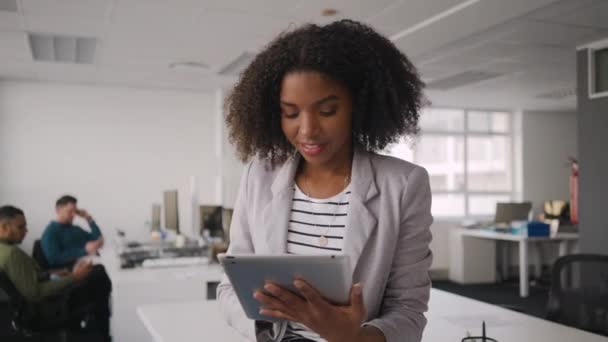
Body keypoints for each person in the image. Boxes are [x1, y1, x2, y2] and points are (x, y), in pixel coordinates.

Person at [217, 20, 432, 342]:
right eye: (291, 113)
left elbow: (409, 311)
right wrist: (265, 329)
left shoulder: (403, 185)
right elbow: (229, 287)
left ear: (358, 105)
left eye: (327, 111)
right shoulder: (259, 175)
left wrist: (352, 338)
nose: (307, 131)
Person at [0, 205, 111, 340]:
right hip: (42, 309)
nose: (26, 231)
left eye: (75, 211)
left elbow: (25, 277)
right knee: (99, 277)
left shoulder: (6, 249)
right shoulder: (14, 252)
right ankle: (103, 333)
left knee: (98, 275)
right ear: (4, 228)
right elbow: (35, 293)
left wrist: (88, 218)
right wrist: (74, 276)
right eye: (20, 227)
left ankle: (101, 329)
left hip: (36, 300)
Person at [41, 195, 104, 269]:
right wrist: (85, 250)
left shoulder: (75, 228)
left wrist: (88, 218)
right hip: (77, 270)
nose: (74, 215)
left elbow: (97, 238)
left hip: (92, 261)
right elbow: (54, 259)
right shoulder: (50, 233)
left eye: (75, 211)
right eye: (70, 211)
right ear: (58, 210)